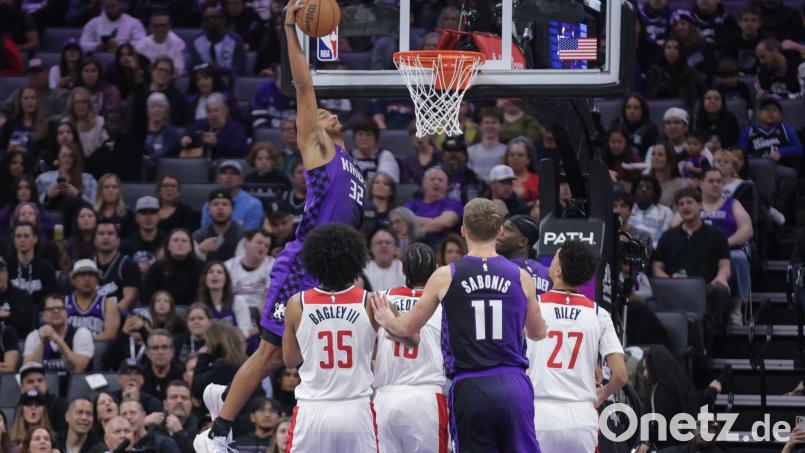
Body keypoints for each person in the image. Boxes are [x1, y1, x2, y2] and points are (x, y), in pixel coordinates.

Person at [195, 0, 367, 445]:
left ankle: (228, 401)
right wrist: (290, 27)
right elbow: (303, 85)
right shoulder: (318, 146)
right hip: (301, 262)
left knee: (308, 355)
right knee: (272, 353)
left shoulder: (353, 165)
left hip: (333, 269)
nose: (326, 114)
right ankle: (219, 431)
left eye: (331, 115)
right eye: (321, 116)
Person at [371, 198, 547, 452]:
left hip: (471, 385)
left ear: (463, 231)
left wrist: (387, 319)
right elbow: (537, 332)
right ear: (498, 231)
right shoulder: (522, 276)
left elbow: (406, 329)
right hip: (513, 382)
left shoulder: (445, 275)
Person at [267, 223, 381, 452]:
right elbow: (377, 355)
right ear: (355, 261)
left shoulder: (296, 303)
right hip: (355, 408)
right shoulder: (369, 301)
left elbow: (290, 360)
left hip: (313, 409)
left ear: (314, 261)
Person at [526, 240, 627, 451]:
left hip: (541, 412)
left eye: (554, 258)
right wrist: (603, 393)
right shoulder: (599, 314)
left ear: (559, 270)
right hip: (582, 415)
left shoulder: (534, 307)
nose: (550, 262)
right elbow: (620, 375)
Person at [373, 243, 448, 453]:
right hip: (425, 398)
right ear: (436, 268)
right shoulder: (445, 304)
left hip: (385, 398)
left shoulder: (381, 298)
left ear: (403, 270)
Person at [653, 187, 732, 350]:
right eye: (681, 204)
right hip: (675, 290)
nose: (685, 207)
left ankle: (706, 345)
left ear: (700, 205)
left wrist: (722, 277)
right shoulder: (668, 236)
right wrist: (669, 280)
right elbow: (656, 267)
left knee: (721, 291)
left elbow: (725, 266)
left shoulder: (716, 234)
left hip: (705, 289)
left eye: (689, 202)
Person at [637, 345, 725, 452]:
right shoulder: (680, 383)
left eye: (647, 369)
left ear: (655, 368)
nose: (645, 374)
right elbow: (701, 400)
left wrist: (646, 441)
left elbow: (658, 421)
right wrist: (713, 390)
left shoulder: (658, 389)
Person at [697, 168, 754, 324]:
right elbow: (676, 226)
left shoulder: (732, 203)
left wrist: (724, 244)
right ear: (700, 183)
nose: (716, 184)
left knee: (739, 258)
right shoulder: (693, 204)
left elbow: (747, 229)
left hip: (729, 250)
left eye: (719, 181)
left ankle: (737, 308)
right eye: (711, 181)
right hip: (698, 250)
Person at [737, 96, 802, 212]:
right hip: (754, 167)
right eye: (766, 109)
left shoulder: (785, 129)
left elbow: (799, 148)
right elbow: (739, 152)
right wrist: (754, 158)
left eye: (774, 110)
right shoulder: (749, 131)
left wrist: (781, 152)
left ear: (780, 114)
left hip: (775, 167)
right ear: (759, 114)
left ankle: (778, 205)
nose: (770, 112)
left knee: (790, 174)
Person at [23, 294, 94, 381]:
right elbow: (28, 374)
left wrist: (59, 341)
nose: (56, 311)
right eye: (50, 309)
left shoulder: (81, 333)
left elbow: (78, 369)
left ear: (66, 312)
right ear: (42, 315)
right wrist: (42, 343)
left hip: (74, 388)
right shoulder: (34, 336)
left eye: (60, 308)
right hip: (44, 389)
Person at [143, 228, 205, 307]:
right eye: (175, 240)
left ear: (191, 247)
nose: (179, 243)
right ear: (168, 246)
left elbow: (202, 295)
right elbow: (148, 296)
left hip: (192, 311)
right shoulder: (156, 268)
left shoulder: (201, 268)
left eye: (184, 241)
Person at [5, 221, 58, 310]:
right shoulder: (5, 267)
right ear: (14, 239)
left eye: (26, 236)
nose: (22, 240)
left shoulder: (47, 268)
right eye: (18, 236)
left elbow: (51, 297)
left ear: (35, 239)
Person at [405, 167, 463, 247]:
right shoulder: (413, 204)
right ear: (423, 183)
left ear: (446, 186)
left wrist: (417, 230)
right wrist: (433, 222)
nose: (436, 182)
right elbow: (402, 220)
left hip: (442, 248)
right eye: (432, 179)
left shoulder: (454, 204)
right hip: (414, 247)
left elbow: (443, 223)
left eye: (440, 180)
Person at [65, 259, 121, 341]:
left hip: (97, 349)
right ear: (73, 281)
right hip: (68, 349)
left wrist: (83, 341)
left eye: (91, 275)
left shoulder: (108, 304)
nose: (87, 279)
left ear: (97, 280)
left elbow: (110, 334)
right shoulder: (63, 302)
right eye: (82, 275)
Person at [181, 93, 250, 160]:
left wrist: (217, 142)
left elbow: (242, 151)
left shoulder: (236, 128)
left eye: (216, 110)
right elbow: (187, 135)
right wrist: (186, 138)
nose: (212, 115)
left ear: (225, 110)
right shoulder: (201, 124)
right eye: (209, 111)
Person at [496, 215, 551, 294]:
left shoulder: (498, 269)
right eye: (501, 228)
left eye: (507, 229)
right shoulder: (546, 273)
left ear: (522, 242)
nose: (500, 232)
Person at [188, 3, 247, 78]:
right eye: (207, 19)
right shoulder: (196, 41)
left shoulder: (236, 41)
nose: (211, 21)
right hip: (203, 82)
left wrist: (217, 70)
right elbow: (192, 68)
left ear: (223, 21)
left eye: (215, 18)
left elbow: (239, 70)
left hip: (229, 83)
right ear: (202, 23)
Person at [201, 161, 264, 230]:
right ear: (218, 179)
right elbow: (205, 233)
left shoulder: (254, 204)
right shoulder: (208, 206)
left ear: (241, 180)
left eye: (233, 173)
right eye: (225, 173)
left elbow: (252, 235)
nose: (229, 176)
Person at [93, 220, 141, 311]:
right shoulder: (88, 264)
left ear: (118, 240)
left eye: (110, 233)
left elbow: (129, 299)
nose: (105, 237)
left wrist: (110, 316)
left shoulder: (128, 264)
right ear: (94, 239)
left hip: (119, 315)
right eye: (101, 233)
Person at [646, 37, 705, 108]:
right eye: (668, 47)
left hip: (684, 109)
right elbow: (650, 95)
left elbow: (703, 92)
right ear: (663, 50)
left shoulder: (690, 72)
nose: (672, 51)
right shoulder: (655, 71)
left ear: (681, 51)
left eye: (675, 48)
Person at [196, 261, 252, 337]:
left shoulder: (238, 301)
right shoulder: (200, 305)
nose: (215, 274)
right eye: (211, 272)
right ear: (205, 279)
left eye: (219, 272)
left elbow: (245, 332)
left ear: (226, 280)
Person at [224, 229, 274, 311]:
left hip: (259, 313)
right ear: (246, 242)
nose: (262, 247)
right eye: (259, 243)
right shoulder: (228, 266)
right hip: (232, 311)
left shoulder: (272, 265)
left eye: (266, 246)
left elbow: (269, 298)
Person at [36, 144, 97, 210]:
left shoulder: (88, 179)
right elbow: (32, 204)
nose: (67, 159)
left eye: (70, 156)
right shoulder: (43, 178)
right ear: (58, 158)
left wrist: (78, 196)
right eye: (63, 156)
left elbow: (96, 205)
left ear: (76, 158)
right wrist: (47, 196)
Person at [193, 189, 245, 262]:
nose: (220, 208)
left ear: (232, 209)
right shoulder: (198, 236)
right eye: (215, 204)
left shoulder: (243, 236)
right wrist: (200, 251)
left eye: (225, 204)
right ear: (208, 209)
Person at [121, 196, 167, 274]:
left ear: (159, 216)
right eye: (143, 213)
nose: (148, 217)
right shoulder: (126, 244)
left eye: (152, 213)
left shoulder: (168, 242)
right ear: (137, 217)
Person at [18, 362, 69, 432]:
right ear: (22, 388)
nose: (36, 384)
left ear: (46, 383)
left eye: (40, 380)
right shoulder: (20, 405)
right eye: (30, 382)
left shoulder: (60, 404)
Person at [79, 0, 146, 52]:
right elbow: (82, 44)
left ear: (121, 3)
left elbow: (142, 44)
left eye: (113, 6)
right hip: (99, 62)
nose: (110, 10)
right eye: (107, 7)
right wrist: (98, 46)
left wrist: (120, 45)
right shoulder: (93, 23)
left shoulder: (134, 23)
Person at [134, 9, 187, 76]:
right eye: (157, 26)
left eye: (163, 25)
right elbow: (138, 70)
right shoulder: (142, 45)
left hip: (171, 80)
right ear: (150, 27)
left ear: (169, 26)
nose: (160, 29)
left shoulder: (178, 43)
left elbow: (179, 71)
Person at [0, 86, 49, 157]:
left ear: (37, 101)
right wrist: (8, 150)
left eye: (33, 98)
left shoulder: (44, 124)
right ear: (20, 101)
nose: (30, 101)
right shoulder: (10, 123)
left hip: (33, 164)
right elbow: (2, 148)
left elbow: (46, 152)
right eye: (26, 98)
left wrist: (24, 150)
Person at [350, 117, 401, 183]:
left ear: (376, 138)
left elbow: (387, 184)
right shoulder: (345, 156)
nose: (364, 138)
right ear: (354, 137)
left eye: (369, 135)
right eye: (360, 134)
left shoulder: (385, 156)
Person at [153, 380, 198, 452]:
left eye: (184, 398)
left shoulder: (200, 428)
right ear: (165, 404)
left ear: (191, 404)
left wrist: (179, 433)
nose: (179, 401)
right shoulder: (155, 426)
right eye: (174, 397)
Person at [630, 175, 673, 248]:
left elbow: (664, 239)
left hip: (654, 253)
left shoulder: (665, 211)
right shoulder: (627, 209)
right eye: (640, 187)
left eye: (648, 187)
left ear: (656, 193)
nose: (644, 189)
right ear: (634, 193)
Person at [441, 136, 486, 205]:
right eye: (449, 150)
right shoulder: (434, 178)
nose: (452, 154)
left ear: (465, 155)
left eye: (457, 150)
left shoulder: (476, 180)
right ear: (443, 155)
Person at [142, 329, 185, 401]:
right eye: (155, 348)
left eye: (164, 347)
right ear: (147, 352)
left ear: (173, 351)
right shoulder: (141, 376)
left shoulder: (183, 374)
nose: (160, 352)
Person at [468, 107, 507, 182]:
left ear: (501, 126)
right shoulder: (470, 151)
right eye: (486, 122)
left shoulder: (507, 151)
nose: (490, 126)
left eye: (494, 122)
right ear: (480, 126)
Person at [645, 142, 688, 208]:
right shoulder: (644, 183)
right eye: (653, 154)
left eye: (660, 154)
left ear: (670, 159)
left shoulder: (681, 185)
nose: (655, 157)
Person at [504, 137, 539, 204]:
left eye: (520, 155)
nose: (515, 158)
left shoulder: (538, 180)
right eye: (512, 155)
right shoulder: (500, 180)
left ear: (529, 159)